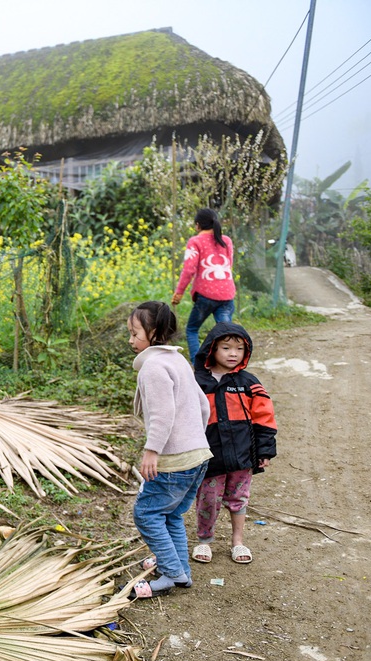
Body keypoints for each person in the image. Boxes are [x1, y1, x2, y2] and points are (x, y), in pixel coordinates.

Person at [127, 301, 212, 599]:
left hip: (175, 461)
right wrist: (194, 440)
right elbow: (203, 406)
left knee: (147, 514)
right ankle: (181, 571)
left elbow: (163, 415)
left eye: (135, 333)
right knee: (172, 514)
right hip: (199, 455)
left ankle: (172, 574)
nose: (131, 339)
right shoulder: (178, 362)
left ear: (153, 332)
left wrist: (152, 451)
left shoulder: (153, 367)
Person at [191, 323, 277, 565]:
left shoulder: (249, 383)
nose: (233, 353)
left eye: (239, 349)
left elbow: (264, 418)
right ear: (211, 349)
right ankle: (204, 540)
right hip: (209, 456)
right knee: (207, 499)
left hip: (242, 456)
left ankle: (237, 541)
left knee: (238, 498)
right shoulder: (197, 382)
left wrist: (265, 450)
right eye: (226, 347)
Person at [172, 208, 236, 361]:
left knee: (192, 329)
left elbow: (189, 270)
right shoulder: (226, 240)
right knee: (226, 332)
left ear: (197, 225)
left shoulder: (195, 242)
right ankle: (229, 363)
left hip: (206, 296)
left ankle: (199, 365)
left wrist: (179, 292)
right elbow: (229, 265)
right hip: (227, 294)